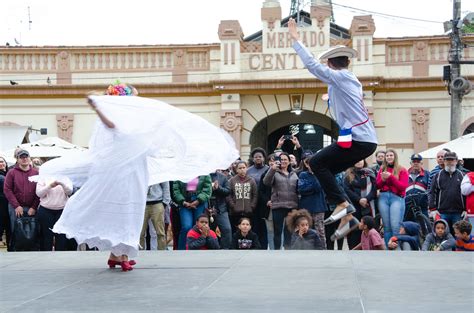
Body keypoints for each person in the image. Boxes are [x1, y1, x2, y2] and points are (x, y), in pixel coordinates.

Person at [33, 84, 238, 271]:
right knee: (123, 215)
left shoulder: (136, 126)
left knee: (130, 215)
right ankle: (119, 255)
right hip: (122, 177)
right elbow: (112, 124)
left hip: (134, 175)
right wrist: (98, 107)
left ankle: (117, 254)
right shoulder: (117, 125)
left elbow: (143, 120)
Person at [289, 19, 378, 240]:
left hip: (359, 140)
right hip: (364, 141)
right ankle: (348, 217)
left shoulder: (340, 77)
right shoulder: (347, 79)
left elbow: (312, 65)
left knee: (317, 163)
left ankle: (342, 205)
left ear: (330, 65)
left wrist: (295, 40)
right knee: (326, 168)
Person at [3, 149, 40, 251]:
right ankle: (16, 250)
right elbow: (7, 190)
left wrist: (34, 207)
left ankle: (32, 249)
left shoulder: (36, 173)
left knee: (32, 230)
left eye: (26, 156)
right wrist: (16, 206)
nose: (24, 159)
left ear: (29, 158)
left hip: (31, 207)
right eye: (21, 157)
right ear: (17, 159)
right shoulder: (11, 172)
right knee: (16, 230)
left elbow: (39, 191)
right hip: (15, 207)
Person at [263, 152, 298, 250]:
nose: (283, 161)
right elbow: (266, 182)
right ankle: (277, 251)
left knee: (289, 231)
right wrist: (272, 169)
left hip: (292, 206)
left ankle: (287, 250)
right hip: (278, 206)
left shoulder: (294, 174)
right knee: (277, 231)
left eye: (285, 159)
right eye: (281, 159)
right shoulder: (275, 173)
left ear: (289, 161)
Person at [376, 149, 409, 246]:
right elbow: (377, 186)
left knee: (395, 226)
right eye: (387, 156)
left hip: (396, 197)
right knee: (387, 226)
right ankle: (388, 247)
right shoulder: (382, 169)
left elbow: (402, 187)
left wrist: (390, 177)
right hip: (383, 197)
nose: (389, 157)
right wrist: (383, 179)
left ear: (395, 157)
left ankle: (396, 247)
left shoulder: (402, 169)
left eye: (391, 155)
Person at [428, 151, 465, 235]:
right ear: (444, 161)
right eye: (447, 160)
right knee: (443, 236)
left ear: (456, 161)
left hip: (458, 212)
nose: (450, 162)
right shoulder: (437, 176)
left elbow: (466, 193)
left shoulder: (462, 175)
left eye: (452, 160)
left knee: (458, 235)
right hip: (442, 212)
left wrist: (466, 209)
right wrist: (432, 209)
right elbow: (432, 192)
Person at [173, 175, 213, 250]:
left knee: (200, 226)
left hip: (199, 202)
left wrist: (197, 201)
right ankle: (182, 250)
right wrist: (183, 202)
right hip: (184, 202)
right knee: (186, 227)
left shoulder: (204, 171)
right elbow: (176, 190)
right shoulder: (180, 171)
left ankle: (198, 248)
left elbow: (207, 189)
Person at [343, 160, 377, 249]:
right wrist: (359, 200)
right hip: (354, 205)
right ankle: (353, 249)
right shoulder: (348, 174)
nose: (359, 161)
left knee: (367, 228)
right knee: (355, 229)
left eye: (361, 160)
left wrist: (366, 199)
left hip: (368, 205)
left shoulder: (370, 172)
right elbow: (347, 190)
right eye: (357, 160)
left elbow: (374, 189)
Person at [297, 151, 327, 248]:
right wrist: (311, 188)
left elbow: (319, 187)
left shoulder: (321, 173)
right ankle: (306, 249)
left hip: (318, 207)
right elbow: (301, 189)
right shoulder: (303, 175)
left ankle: (322, 250)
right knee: (306, 230)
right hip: (306, 208)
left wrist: (315, 174)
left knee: (320, 231)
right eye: (308, 163)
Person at [36, 178, 72, 251]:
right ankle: (46, 258)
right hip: (46, 210)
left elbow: (69, 192)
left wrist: (62, 184)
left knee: (61, 237)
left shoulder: (66, 178)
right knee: (46, 237)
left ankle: (60, 258)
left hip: (62, 210)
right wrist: (50, 186)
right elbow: (39, 193)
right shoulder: (43, 178)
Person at [247, 147, 269, 250]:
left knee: (264, 225)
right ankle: (255, 246)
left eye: (260, 156)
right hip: (252, 202)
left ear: (264, 158)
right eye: (256, 157)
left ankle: (264, 247)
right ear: (253, 158)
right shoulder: (248, 171)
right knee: (254, 224)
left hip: (264, 202)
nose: (258, 158)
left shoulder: (268, 169)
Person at [227, 161, 258, 234]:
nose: (242, 169)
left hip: (248, 212)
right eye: (240, 168)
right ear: (236, 169)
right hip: (235, 212)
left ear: (247, 168)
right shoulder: (232, 181)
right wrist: (233, 206)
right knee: (236, 232)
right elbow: (228, 195)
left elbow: (255, 194)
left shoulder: (251, 180)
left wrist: (252, 206)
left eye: (244, 167)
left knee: (248, 232)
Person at [139, 182, 171, 250]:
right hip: (142, 203)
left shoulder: (159, 171)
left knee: (160, 232)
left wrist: (165, 202)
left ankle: (161, 252)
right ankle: (140, 253)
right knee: (140, 232)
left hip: (157, 202)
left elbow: (166, 185)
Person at [209, 170, 232, 249]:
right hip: (206, 207)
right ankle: (210, 249)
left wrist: (218, 188)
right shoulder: (202, 175)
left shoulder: (222, 177)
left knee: (226, 229)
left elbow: (227, 191)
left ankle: (225, 249)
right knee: (209, 230)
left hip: (221, 207)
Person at [0, 156, 10, 249]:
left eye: (2, 162)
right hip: (2, 208)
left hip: (8, 207)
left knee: (9, 230)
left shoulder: (8, 174)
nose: (1, 164)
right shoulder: (2, 177)